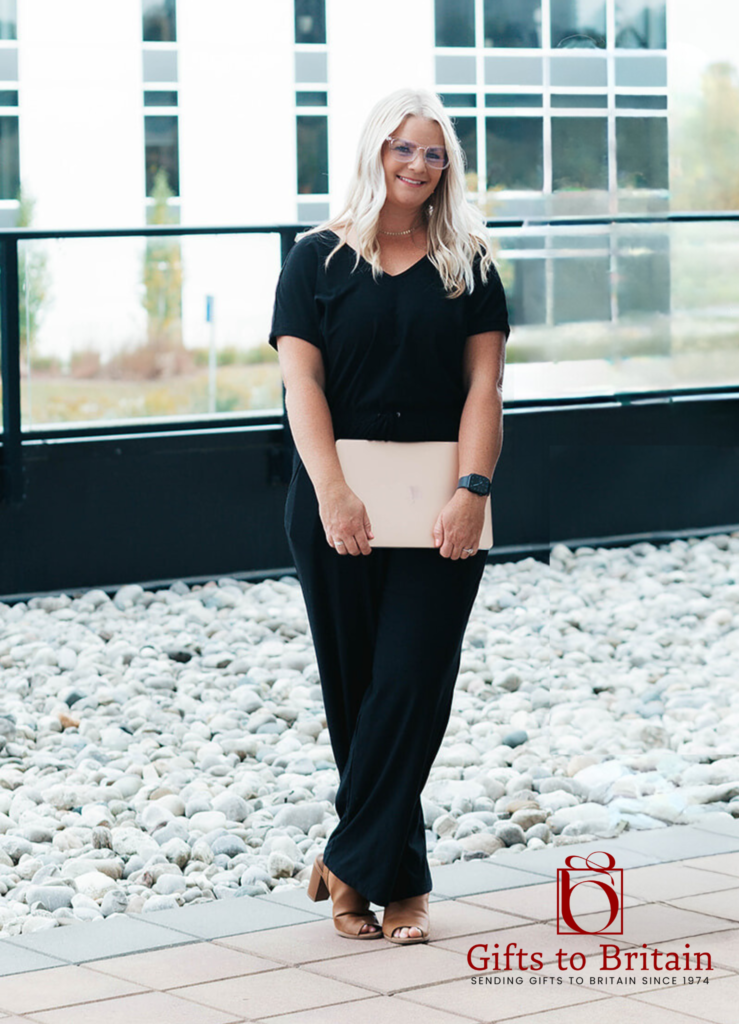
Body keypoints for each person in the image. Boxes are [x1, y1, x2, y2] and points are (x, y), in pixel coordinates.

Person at [268, 86, 510, 944]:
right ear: (376, 150)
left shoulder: (469, 262)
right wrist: (332, 491)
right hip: (338, 499)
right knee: (357, 692)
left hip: (444, 501)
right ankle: (395, 881)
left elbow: (485, 387)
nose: (419, 164)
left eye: (434, 152)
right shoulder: (315, 260)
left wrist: (473, 491)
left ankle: (347, 860)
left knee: (413, 682)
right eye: (404, 147)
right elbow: (301, 385)